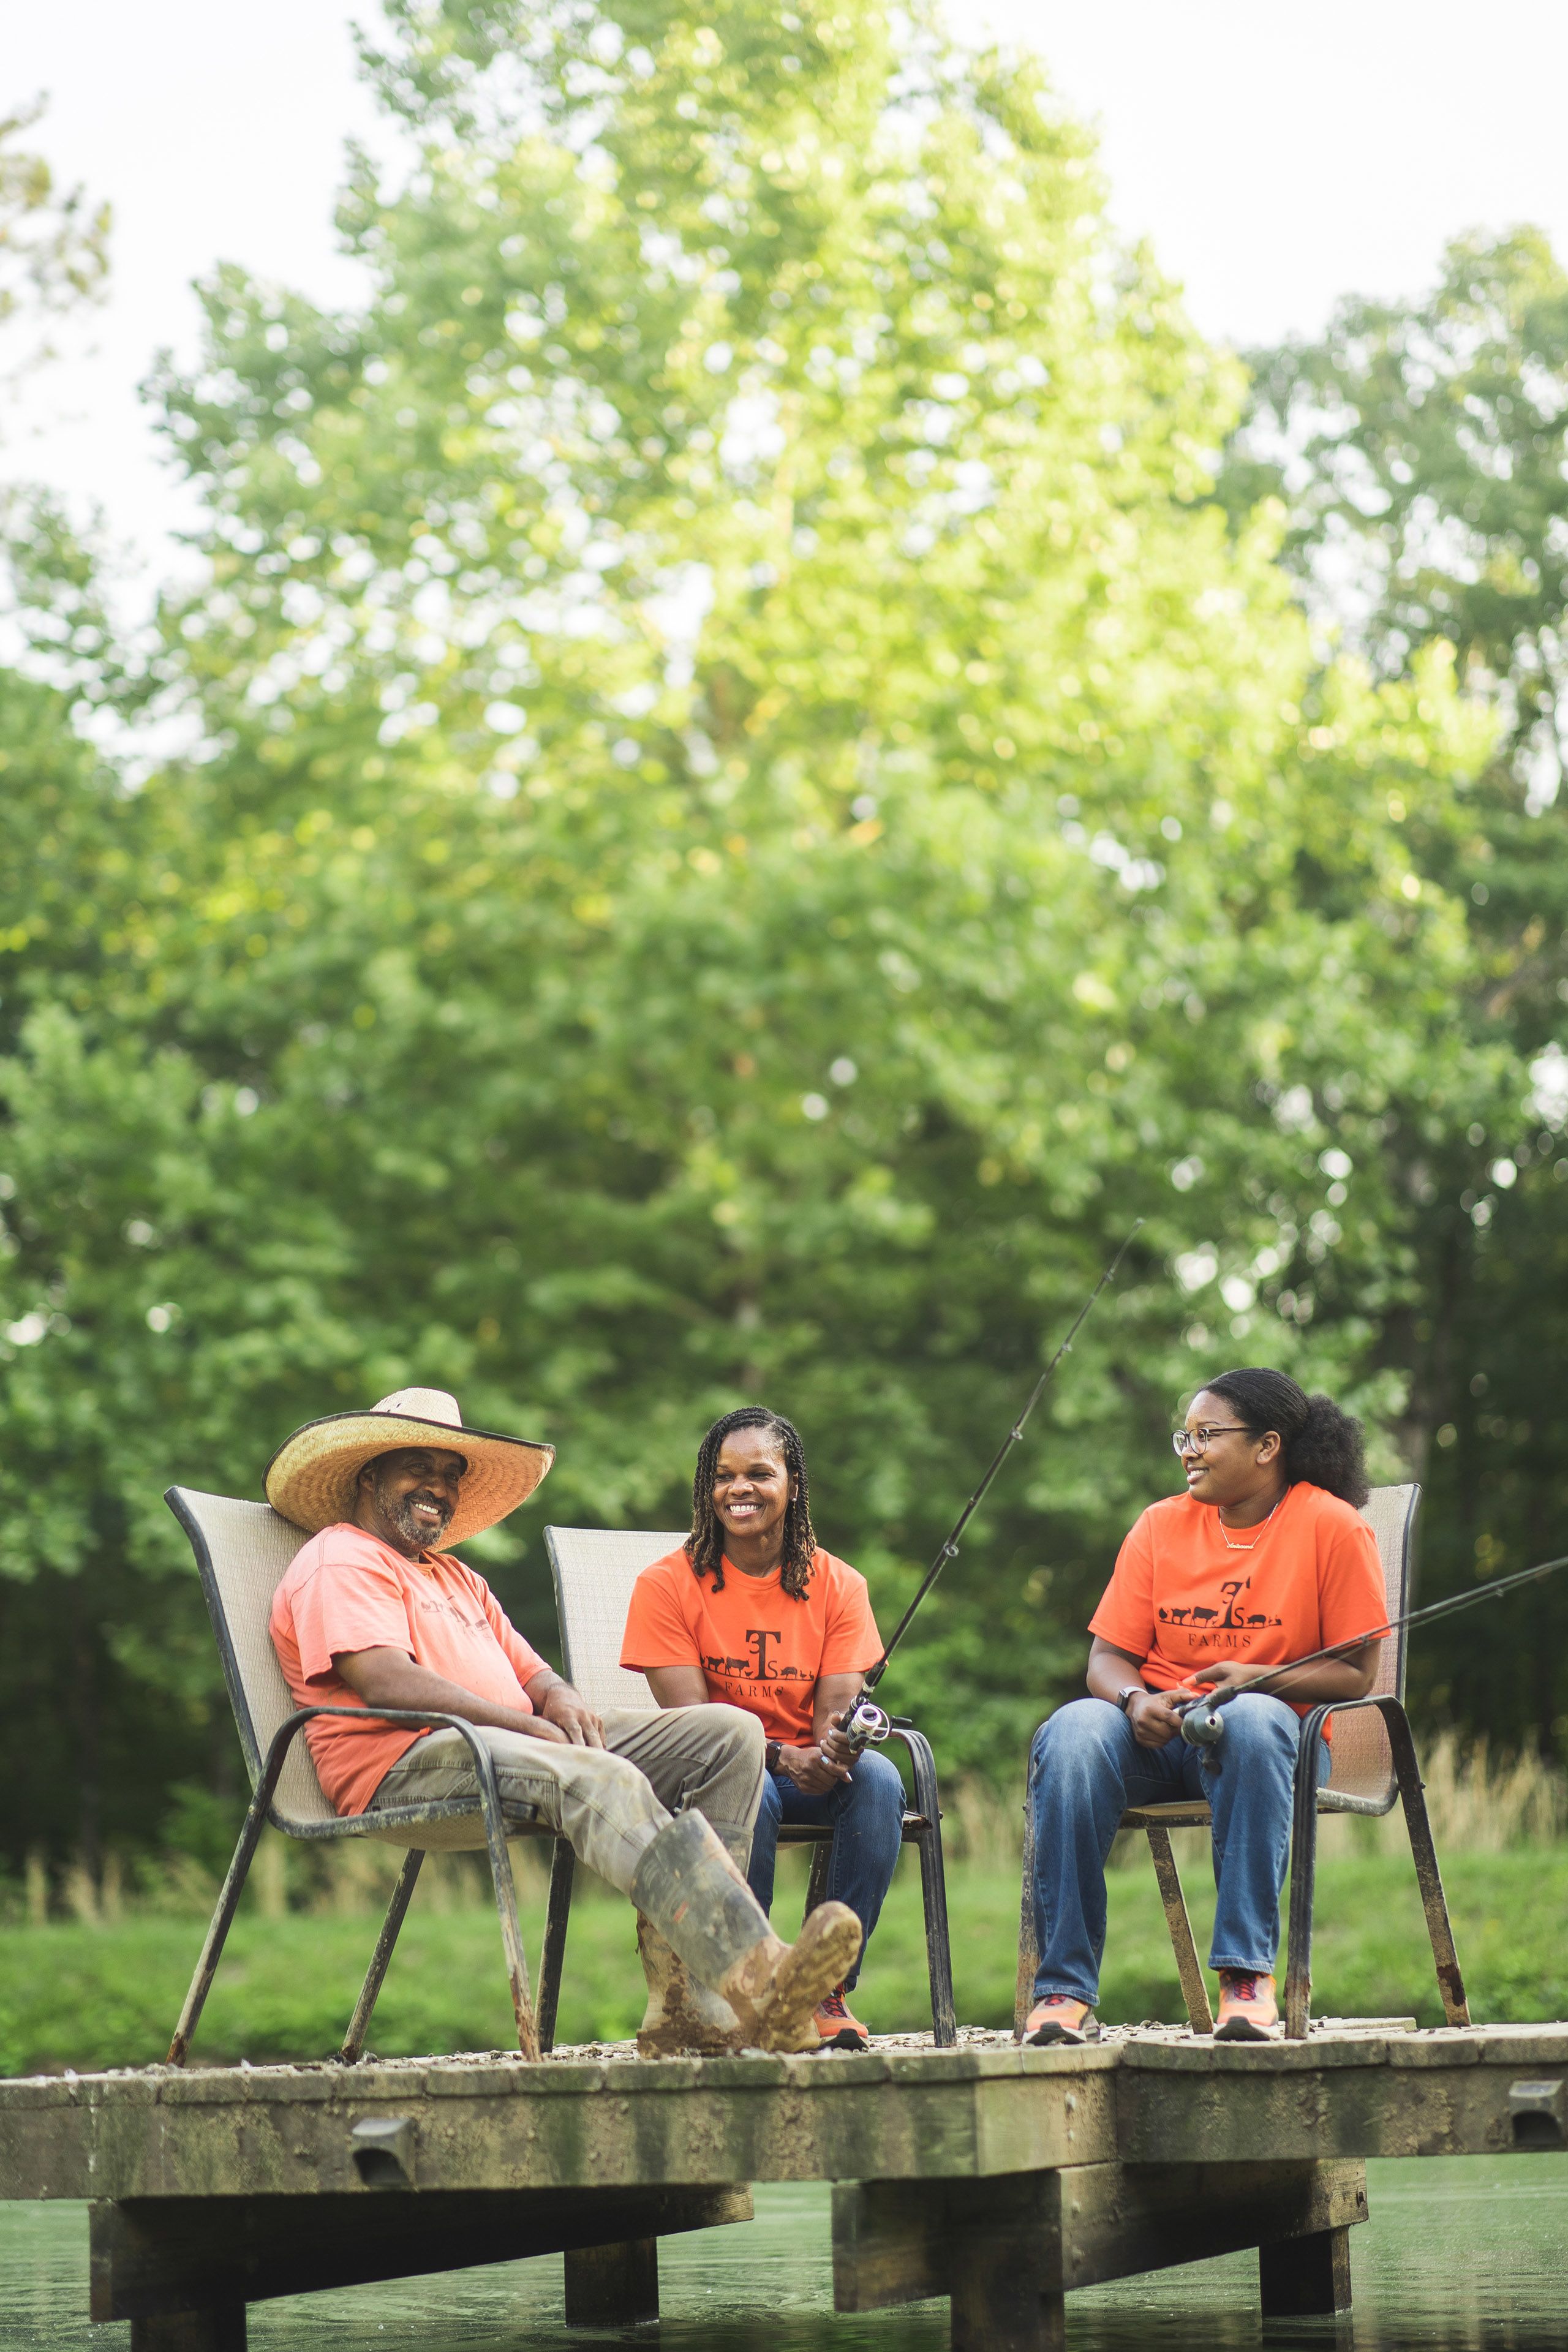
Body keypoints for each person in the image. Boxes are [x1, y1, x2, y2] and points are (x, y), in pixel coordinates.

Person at [265, 1387, 860, 2057]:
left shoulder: (455, 1577)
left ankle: (690, 2009)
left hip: (504, 1744)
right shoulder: (340, 1558)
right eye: (418, 1467)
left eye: (449, 1474)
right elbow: (385, 1682)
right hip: (407, 1760)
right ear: (370, 1474)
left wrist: (558, 1697)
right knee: (595, 1772)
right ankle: (752, 1974)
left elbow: (532, 1674)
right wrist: (527, 1727)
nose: (437, 1487)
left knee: (727, 1733)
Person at [1020, 1368, 1390, 2046]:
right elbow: (1105, 1661)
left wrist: (1259, 1679)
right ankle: (1062, 1989)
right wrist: (1135, 1701)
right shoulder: (1161, 1525)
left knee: (1251, 1719)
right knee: (1072, 1728)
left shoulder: (1332, 1527)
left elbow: (1358, 1674)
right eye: (1183, 1437)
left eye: (1206, 1435)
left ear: (1266, 1446)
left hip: (1271, 1743)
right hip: (1160, 1740)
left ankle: (1246, 1980)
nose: (1188, 1450)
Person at [620, 1407, 904, 2051]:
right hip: (718, 1773)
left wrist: (835, 1746)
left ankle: (819, 1991)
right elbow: (691, 1725)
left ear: (793, 1484)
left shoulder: (839, 1585)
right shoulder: (666, 1584)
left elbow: (833, 1710)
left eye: (758, 1473)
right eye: (722, 1476)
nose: (737, 1489)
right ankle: (745, 1986)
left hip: (804, 1766)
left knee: (880, 1782)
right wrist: (782, 1757)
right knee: (756, 1785)